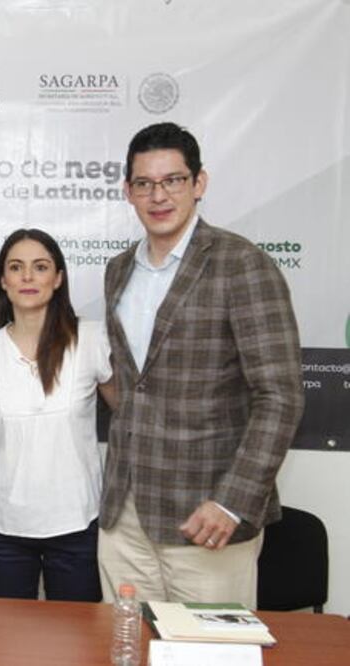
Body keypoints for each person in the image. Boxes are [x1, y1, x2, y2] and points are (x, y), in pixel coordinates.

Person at [100, 122, 304, 606]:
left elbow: (280, 396)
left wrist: (234, 500)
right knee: (125, 650)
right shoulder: (118, 270)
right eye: (145, 183)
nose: (159, 195)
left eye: (172, 180)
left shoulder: (243, 265)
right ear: (128, 191)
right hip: (124, 520)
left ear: (199, 184)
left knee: (211, 655)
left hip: (208, 518)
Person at [0, 229, 116, 601]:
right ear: (3, 280)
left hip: (79, 525)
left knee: (79, 648)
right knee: (1, 646)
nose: (28, 277)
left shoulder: (92, 340)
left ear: (58, 278)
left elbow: (131, 417)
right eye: (16, 267)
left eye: (40, 266)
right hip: (1, 529)